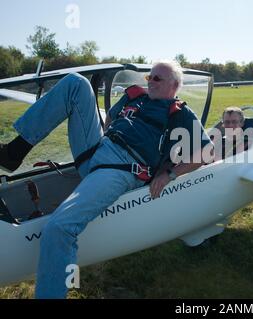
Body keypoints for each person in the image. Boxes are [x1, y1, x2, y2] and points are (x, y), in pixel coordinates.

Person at [0, 60, 213, 298]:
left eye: (157, 79)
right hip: (98, 147)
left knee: (59, 228)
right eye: (149, 77)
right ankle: (13, 153)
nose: (150, 82)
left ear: (174, 85)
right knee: (75, 83)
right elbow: (110, 120)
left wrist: (169, 173)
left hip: (120, 168)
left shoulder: (180, 112)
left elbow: (206, 153)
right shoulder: (135, 97)